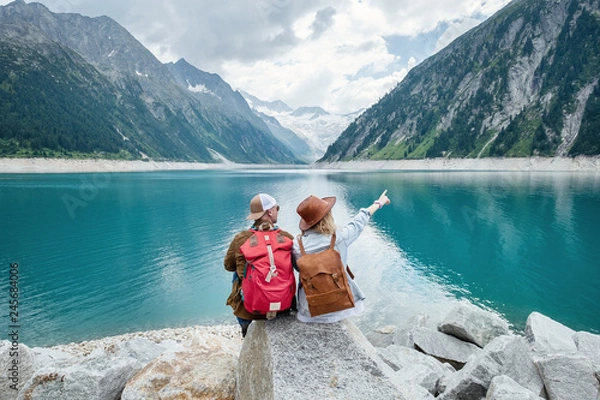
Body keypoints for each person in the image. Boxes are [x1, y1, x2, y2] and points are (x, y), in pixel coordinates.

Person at [293, 190, 391, 323]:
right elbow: (360, 220)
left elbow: (300, 270)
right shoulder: (340, 237)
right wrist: (380, 202)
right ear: (328, 217)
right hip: (341, 307)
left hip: (309, 310)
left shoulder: (297, 246)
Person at [224, 193, 295, 336]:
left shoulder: (241, 239)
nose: (277, 212)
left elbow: (228, 266)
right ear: (269, 212)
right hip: (284, 305)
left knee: (239, 272)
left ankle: (246, 330)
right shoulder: (286, 237)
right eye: (276, 209)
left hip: (251, 309)